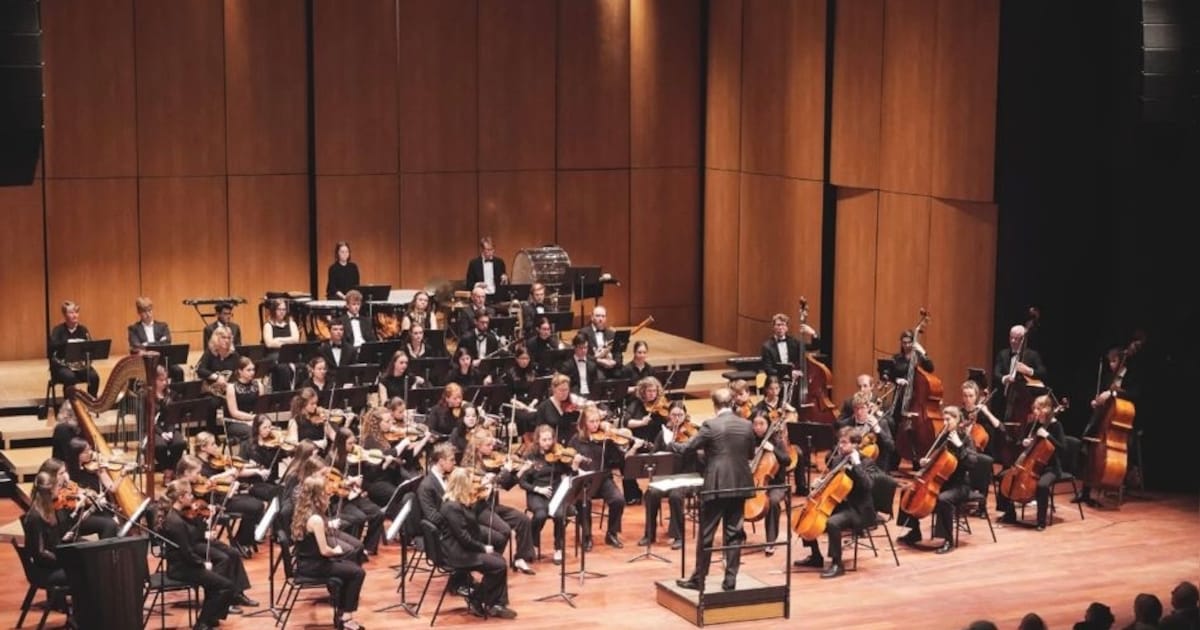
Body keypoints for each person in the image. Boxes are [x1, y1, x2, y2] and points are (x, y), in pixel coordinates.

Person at [671, 388, 756, 592]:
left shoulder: (710, 424)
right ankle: (730, 580)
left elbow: (688, 448)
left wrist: (671, 443)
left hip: (717, 485)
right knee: (734, 533)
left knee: (707, 533)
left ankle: (699, 579)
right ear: (732, 402)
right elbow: (750, 453)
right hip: (741, 483)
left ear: (714, 404)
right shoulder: (746, 425)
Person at [156, 479, 240, 630]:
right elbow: (186, 552)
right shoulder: (175, 522)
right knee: (226, 586)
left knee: (219, 582)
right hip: (181, 569)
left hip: (185, 564)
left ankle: (209, 619)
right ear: (181, 497)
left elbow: (190, 542)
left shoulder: (175, 516)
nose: (192, 496)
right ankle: (202, 623)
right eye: (188, 494)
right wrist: (202, 564)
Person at [794, 426, 875, 578]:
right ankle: (816, 556)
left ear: (855, 444)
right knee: (807, 517)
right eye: (840, 442)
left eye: (844, 443)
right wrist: (821, 483)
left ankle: (837, 564)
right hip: (839, 504)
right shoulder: (837, 459)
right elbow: (832, 482)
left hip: (859, 508)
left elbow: (868, 486)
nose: (841, 446)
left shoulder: (866, 462)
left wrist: (856, 465)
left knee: (832, 523)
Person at [439, 467, 518, 619]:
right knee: (499, 565)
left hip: (463, 549)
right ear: (462, 485)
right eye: (470, 482)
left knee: (499, 561)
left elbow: (470, 522)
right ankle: (477, 598)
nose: (473, 485)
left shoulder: (458, 502)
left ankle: (497, 604)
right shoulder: (452, 507)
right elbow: (464, 538)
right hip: (458, 554)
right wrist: (483, 547)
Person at [895, 406, 976, 553]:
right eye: (943, 419)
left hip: (959, 485)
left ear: (957, 420)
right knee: (907, 491)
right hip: (941, 481)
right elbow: (936, 458)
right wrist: (926, 462)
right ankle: (914, 532)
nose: (945, 423)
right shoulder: (943, 436)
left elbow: (972, 462)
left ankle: (948, 541)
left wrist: (959, 445)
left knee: (943, 499)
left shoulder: (965, 438)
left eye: (948, 419)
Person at [291, 475, 367, 630]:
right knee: (358, 572)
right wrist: (336, 550)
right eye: (325, 493)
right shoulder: (316, 520)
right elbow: (325, 551)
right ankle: (346, 618)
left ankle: (342, 613)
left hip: (306, 562)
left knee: (350, 568)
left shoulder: (303, 512)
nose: (328, 495)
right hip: (314, 565)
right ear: (317, 495)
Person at [1076, 342, 1142, 506]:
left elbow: (1134, 395)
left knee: (1110, 454)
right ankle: (1085, 492)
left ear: (1122, 361)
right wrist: (1096, 401)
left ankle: (1115, 483)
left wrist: (1112, 392)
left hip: (1122, 425)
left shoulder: (1132, 376)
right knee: (1088, 448)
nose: (1111, 365)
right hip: (1104, 420)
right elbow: (1103, 398)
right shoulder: (1107, 377)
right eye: (1110, 361)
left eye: (1113, 361)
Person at [464, 429, 537, 574]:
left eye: (492, 444)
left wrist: (521, 470)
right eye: (488, 445)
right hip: (479, 509)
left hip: (493, 506)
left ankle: (520, 558)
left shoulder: (492, 461)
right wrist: (504, 472)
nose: (492, 448)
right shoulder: (471, 468)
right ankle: (492, 563)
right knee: (504, 530)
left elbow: (505, 485)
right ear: (478, 446)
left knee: (523, 520)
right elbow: (491, 485)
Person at [566, 403, 631, 549]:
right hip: (583, 482)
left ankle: (612, 534)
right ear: (584, 423)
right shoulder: (576, 440)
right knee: (584, 503)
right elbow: (568, 465)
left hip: (603, 479)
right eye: (591, 421)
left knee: (618, 500)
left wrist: (618, 445)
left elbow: (618, 461)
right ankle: (587, 536)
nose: (595, 425)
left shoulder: (605, 440)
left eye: (597, 421)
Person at [996, 394, 1065, 530]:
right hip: (1029, 464)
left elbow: (1063, 449)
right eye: (1035, 408)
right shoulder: (1032, 424)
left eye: (1039, 409)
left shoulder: (1056, 426)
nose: (1035, 412)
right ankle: (1009, 514)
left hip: (1050, 468)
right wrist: (1023, 442)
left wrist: (1048, 436)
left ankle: (1041, 522)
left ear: (1048, 409)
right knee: (1003, 476)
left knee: (1042, 486)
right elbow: (1020, 443)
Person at [641, 401, 698, 550]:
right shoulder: (663, 434)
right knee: (650, 493)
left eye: (680, 415)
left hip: (686, 476)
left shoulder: (692, 433)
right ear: (669, 416)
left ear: (685, 415)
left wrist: (674, 446)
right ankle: (649, 534)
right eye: (673, 415)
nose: (677, 418)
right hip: (667, 477)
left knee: (675, 496)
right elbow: (653, 456)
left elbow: (694, 452)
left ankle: (678, 536)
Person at [519, 424, 578, 565]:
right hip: (537, 492)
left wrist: (574, 466)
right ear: (537, 440)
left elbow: (571, 474)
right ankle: (533, 543)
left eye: (550, 439)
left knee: (559, 515)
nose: (547, 443)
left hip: (556, 491)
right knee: (540, 514)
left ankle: (558, 548)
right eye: (544, 440)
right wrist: (538, 489)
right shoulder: (530, 455)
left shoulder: (559, 454)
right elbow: (522, 482)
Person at [749, 411, 791, 555]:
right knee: (735, 497)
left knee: (772, 502)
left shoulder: (777, 441)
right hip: (755, 482)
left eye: (762, 424)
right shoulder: (750, 440)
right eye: (755, 424)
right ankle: (738, 536)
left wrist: (773, 449)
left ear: (768, 425)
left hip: (776, 484)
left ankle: (770, 541)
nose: (758, 427)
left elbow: (787, 460)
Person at [21, 472, 70, 591]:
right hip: (44, 570)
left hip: (50, 564)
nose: (59, 491)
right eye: (57, 487)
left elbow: (50, 540)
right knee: (84, 573)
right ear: (49, 492)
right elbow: (41, 552)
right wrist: (64, 562)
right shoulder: (36, 517)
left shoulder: (47, 510)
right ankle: (83, 608)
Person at [992, 323, 1049, 423]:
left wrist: (1029, 370)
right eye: (1011, 338)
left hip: (1023, 402)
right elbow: (996, 373)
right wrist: (1005, 378)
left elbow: (1043, 372)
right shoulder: (1003, 354)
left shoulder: (1032, 355)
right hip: (1004, 400)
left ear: (1023, 339)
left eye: (1016, 338)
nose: (1013, 341)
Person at [48, 300, 100, 396]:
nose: (75, 315)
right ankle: (69, 405)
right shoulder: (58, 330)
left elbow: (90, 348)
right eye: (71, 312)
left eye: (76, 312)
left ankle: (91, 403)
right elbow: (52, 346)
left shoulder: (83, 330)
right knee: (69, 377)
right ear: (64, 314)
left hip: (80, 366)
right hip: (62, 367)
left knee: (94, 377)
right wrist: (67, 343)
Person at [128, 297, 184, 380]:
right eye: (144, 312)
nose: (148, 314)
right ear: (139, 313)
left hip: (162, 361)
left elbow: (167, 342)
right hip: (144, 363)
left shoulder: (163, 326)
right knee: (133, 376)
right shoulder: (133, 329)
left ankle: (175, 392)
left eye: (150, 311)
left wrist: (147, 345)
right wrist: (158, 343)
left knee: (178, 371)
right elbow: (136, 346)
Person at [760, 312, 817, 380]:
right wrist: (789, 373)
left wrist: (813, 333)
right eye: (778, 325)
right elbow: (768, 370)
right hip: (777, 382)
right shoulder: (767, 346)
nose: (780, 327)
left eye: (783, 325)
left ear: (787, 328)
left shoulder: (794, 342)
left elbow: (814, 347)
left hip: (794, 381)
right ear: (773, 327)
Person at [262, 298, 303, 392]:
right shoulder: (268, 325)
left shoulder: (291, 323)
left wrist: (278, 339)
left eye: (284, 309)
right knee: (283, 368)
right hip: (275, 355)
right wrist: (288, 341)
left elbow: (296, 340)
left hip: (290, 353)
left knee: (302, 366)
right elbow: (269, 343)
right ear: (274, 310)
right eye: (279, 309)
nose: (282, 312)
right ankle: (284, 392)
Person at [222, 357, 262, 444]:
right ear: (240, 371)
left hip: (253, 420)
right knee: (251, 432)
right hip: (234, 422)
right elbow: (234, 413)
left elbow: (262, 407)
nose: (252, 372)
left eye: (253, 369)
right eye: (248, 370)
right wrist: (252, 418)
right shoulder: (231, 387)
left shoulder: (258, 385)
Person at [577, 305, 620, 374]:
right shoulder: (583, 333)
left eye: (603, 316)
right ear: (592, 317)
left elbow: (618, 353)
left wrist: (614, 362)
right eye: (598, 316)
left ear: (606, 318)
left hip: (611, 364)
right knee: (599, 375)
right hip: (594, 365)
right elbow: (581, 354)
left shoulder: (611, 334)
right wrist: (599, 360)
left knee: (624, 373)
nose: (600, 319)